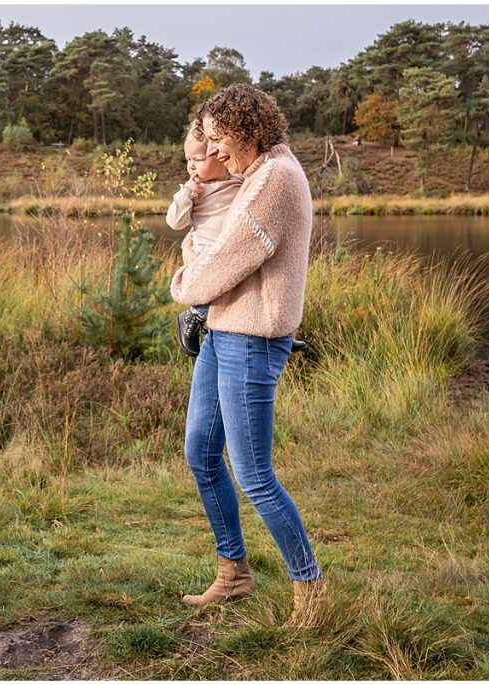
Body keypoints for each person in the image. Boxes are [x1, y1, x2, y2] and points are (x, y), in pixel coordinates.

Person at [170, 84, 324, 628]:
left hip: (253, 338)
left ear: (246, 130)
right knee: (200, 452)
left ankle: (310, 587)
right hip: (224, 329)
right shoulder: (257, 173)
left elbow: (221, 263)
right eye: (206, 141)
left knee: (254, 473)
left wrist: (184, 283)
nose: (212, 152)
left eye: (218, 139)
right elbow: (214, 243)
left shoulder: (274, 180)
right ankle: (234, 572)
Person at [167, 128, 307, 358]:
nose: (191, 165)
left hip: (233, 243)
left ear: (221, 158)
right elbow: (175, 221)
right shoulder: (195, 190)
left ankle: (280, 333)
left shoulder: (240, 180)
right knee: (218, 279)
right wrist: (187, 195)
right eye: (188, 160)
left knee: (264, 279)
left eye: (198, 159)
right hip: (208, 251)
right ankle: (194, 315)